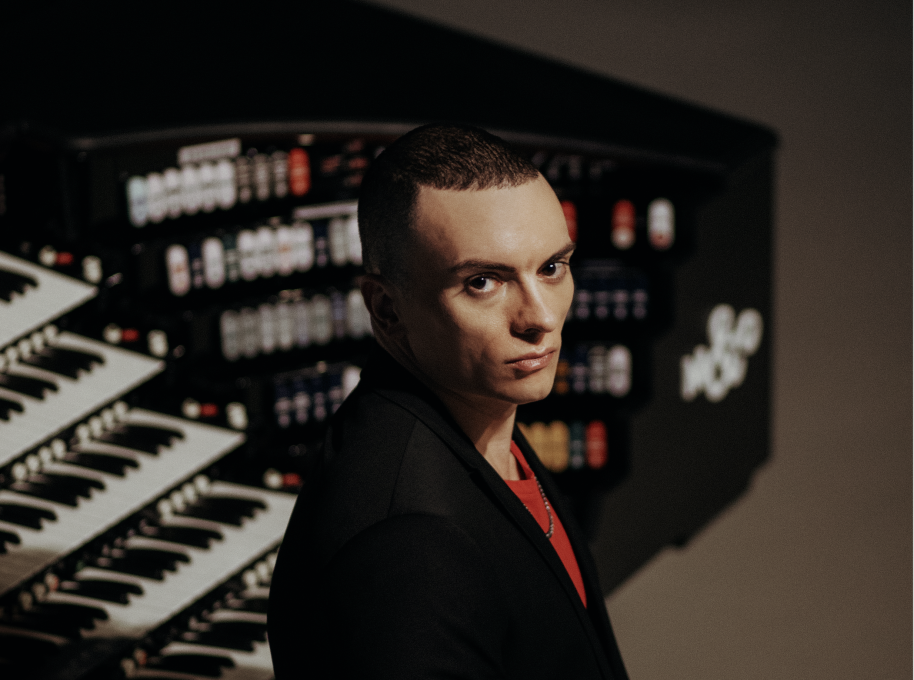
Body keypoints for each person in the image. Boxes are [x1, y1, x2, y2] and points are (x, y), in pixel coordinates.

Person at [268, 123, 629, 679]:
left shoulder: (479, 415)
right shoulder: (407, 548)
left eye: (551, 268)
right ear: (387, 309)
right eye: (483, 282)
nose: (540, 317)